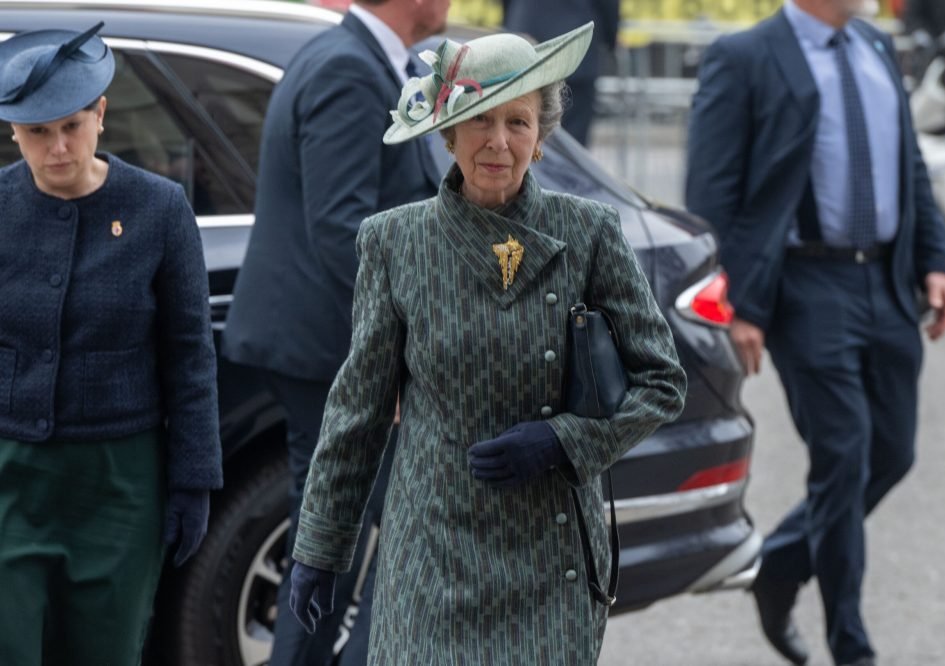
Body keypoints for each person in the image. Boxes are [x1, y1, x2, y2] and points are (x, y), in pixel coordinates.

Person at [285, 23, 687, 663]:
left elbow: (663, 384)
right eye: (480, 121)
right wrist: (320, 546)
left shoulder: (590, 233)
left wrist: (562, 440)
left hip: (549, 564)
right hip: (432, 561)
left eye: (519, 123)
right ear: (448, 133)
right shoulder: (394, 243)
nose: (499, 142)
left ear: (542, 137)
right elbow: (356, 413)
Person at [685, 1, 945, 665]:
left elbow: (908, 165)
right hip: (806, 287)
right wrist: (737, 305)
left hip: (887, 282)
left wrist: (936, 259)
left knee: (891, 453)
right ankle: (852, 648)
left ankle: (778, 563)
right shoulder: (745, 57)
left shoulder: (874, 46)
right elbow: (710, 194)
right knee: (844, 456)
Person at [220, 0, 448, 663]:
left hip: (325, 349)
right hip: (329, 354)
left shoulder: (366, 61)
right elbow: (341, 229)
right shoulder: (348, 69)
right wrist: (403, 347)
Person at [0, 23, 222, 666]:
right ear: (14, 130)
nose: (57, 147)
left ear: (101, 113)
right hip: (11, 474)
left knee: (106, 650)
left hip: (119, 485)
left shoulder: (158, 208)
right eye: (37, 132)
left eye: (71, 125)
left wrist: (193, 480)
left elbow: (189, 354)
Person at [502, 0, 620, 146]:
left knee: (517, 131)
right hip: (575, 49)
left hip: (526, 44)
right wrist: (610, 41)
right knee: (571, 146)